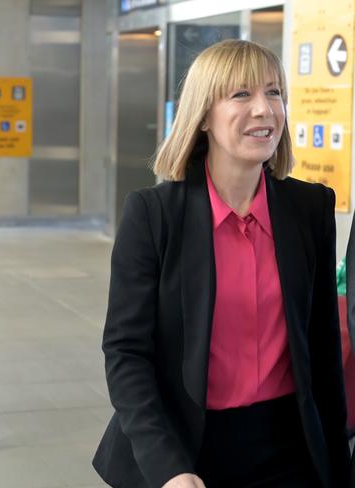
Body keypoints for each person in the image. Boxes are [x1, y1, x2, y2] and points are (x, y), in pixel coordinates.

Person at [92, 39, 350, 488]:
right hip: (185, 450)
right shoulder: (153, 215)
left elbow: (322, 348)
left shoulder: (309, 208)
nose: (264, 109)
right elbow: (126, 354)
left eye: (274, 92)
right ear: (204, 116)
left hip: (291, 451)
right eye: (241, 95)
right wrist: (168, 468)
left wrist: (339, 472)